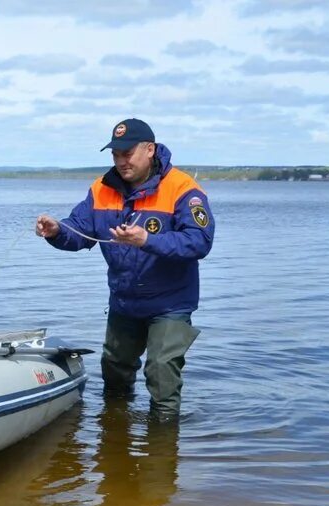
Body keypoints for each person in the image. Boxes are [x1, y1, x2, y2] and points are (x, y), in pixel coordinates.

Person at [35, 118, 214, 419]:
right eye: (116, 154)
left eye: (127, 153)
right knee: (114, 372)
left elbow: (199, 241)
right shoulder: (102, 189)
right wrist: (56, 231)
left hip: (170, 303)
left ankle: (162, 449)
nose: (121, 160)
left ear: (149, 150)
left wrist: (147, 240)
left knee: (160, 373)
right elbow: (79, 229)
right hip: (124, 301)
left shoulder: (183, 189)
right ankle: (115, 444)